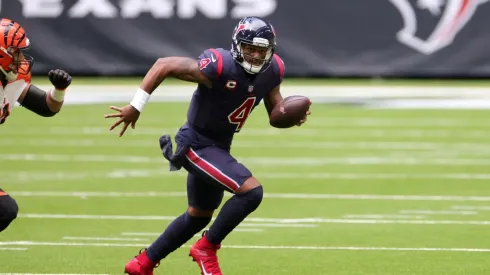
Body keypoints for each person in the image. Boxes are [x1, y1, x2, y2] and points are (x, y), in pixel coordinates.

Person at [105, 16, 311, 275]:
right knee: (251, 192)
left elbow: (275, 112)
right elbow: (164, 64)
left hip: (220, 146)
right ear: (238, 46)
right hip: (196, 144)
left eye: (261, 50)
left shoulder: (273, 71)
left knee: (198, 216)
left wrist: (291, 116)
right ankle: (207, 247)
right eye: (249, 48)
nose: (255, 55)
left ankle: (142, 264)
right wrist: (136, 106)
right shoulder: (219, 65)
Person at [0, 18, 72, 233]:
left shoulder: (12, 78)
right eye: (16, 52)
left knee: (4, 209)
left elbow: (45, 107)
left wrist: (59, 90)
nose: (21, 58)